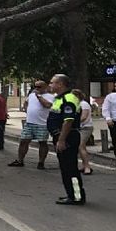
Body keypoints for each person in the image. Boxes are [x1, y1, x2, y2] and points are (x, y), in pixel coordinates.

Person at [47, 74, 86, 205]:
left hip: (68, 137)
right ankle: (71, 194)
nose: (50, 85)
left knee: (70, 169)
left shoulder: (68, 99)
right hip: (62, 136)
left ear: (60, 84)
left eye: (52, 83)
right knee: (65, 168)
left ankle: (77, 196)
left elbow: (68, 121)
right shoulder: (59, 98)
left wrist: (62, 139)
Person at [8, 81, 53, 169]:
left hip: (42, 123)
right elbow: (26, 102)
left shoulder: (50, 97)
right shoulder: (31, 95)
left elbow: (47, 105)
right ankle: (20, 160)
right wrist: (26, 109)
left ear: (45, 87)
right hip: (29, 122)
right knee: (23, 141)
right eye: (35, 86)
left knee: (42, 142)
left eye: (39, 87)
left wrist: (39, 96)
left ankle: (41, 162)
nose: (36, 88)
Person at [72, 88, 93, 175]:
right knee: (81, 147)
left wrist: (73, 122)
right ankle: (84, 165)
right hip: (78, 128)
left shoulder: (83, 104)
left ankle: (87, 166)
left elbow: (84, 117)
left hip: (85, 127)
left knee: (81, 146)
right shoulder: (75, 104)